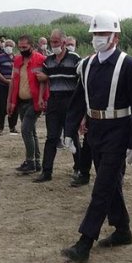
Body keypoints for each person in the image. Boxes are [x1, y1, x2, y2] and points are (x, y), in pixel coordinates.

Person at [60, 11, 132, 263]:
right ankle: (122, 230)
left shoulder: (129, 65)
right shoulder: (86, 65)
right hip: (94, 130)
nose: (98, 38)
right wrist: (68, 131)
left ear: (115, 36)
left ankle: (85, 242)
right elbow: (77, 102)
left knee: (102, 185)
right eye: (95, 34)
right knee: (111, 183)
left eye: (103, 33)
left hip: (119, 130)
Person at [33, 29, 81, 183]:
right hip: (53, 100)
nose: (53, 45)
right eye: (51, 41)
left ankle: (79, 168)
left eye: (56, 42)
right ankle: (46, 172)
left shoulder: (75, 59)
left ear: (64, 42)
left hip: (70, 100)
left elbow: (82, 80)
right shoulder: (48, 60)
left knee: (72, 136)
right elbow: (44, 80)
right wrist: (41, 97)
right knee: (51, 137)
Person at [7, 35, 47, 174]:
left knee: (25, 130)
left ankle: (30, 162)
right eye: (20, 47)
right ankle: (36, 162)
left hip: (34, 101)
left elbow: (45, 81)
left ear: (32, 46)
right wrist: (10, 102)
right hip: (21, 102)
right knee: (31, 132)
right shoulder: (17, 60)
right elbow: (13, 82)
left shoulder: (41, 60)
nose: (22, 49)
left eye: (25, 47)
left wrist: (44, 99)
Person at [0, 39, 18, 135]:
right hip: (2, 85)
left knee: (14, 106)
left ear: (13, 47)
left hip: (14, 86)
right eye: (6, 45)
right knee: (2, 106)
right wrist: (5, 80)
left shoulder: (16, 58)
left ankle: (12, 127)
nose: (8, 47)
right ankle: (0, 128)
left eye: (10, 45)